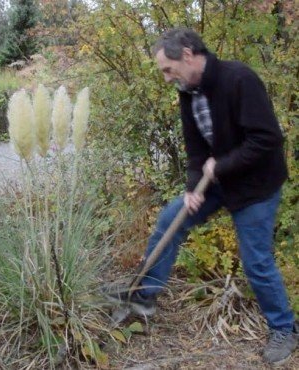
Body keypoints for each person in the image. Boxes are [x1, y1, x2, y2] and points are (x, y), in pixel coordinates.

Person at [104, 28, 297, 366]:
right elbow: (195, 152)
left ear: (189, 55)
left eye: (168, 68)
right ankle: (144, 296)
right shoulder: (187, 91)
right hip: (216, 181)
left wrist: (219, 165)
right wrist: (194, 187)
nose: (166, 78)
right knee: (170, 220)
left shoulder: (239, 79)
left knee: (256, 261)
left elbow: (267, 139)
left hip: (255, 187)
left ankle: (285, 328)